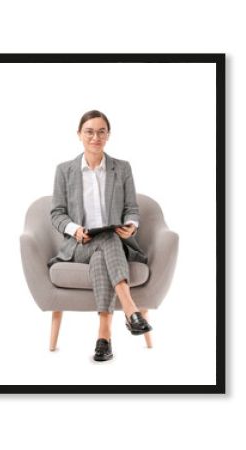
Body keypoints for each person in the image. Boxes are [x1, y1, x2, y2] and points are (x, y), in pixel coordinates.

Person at [48, 110, 152, 362]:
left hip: (112, 242)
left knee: (105, 245)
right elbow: (57, 213)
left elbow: (132, 209)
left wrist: (131, 225)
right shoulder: (64, 170)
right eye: (89, 131)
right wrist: (75, 229)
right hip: (79, 245)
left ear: (108, 135)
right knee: (104, 241)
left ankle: (103, 337)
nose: (96, 136)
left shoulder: (122, 168)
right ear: (79, 134)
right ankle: (130, 309)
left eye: (101, 131)